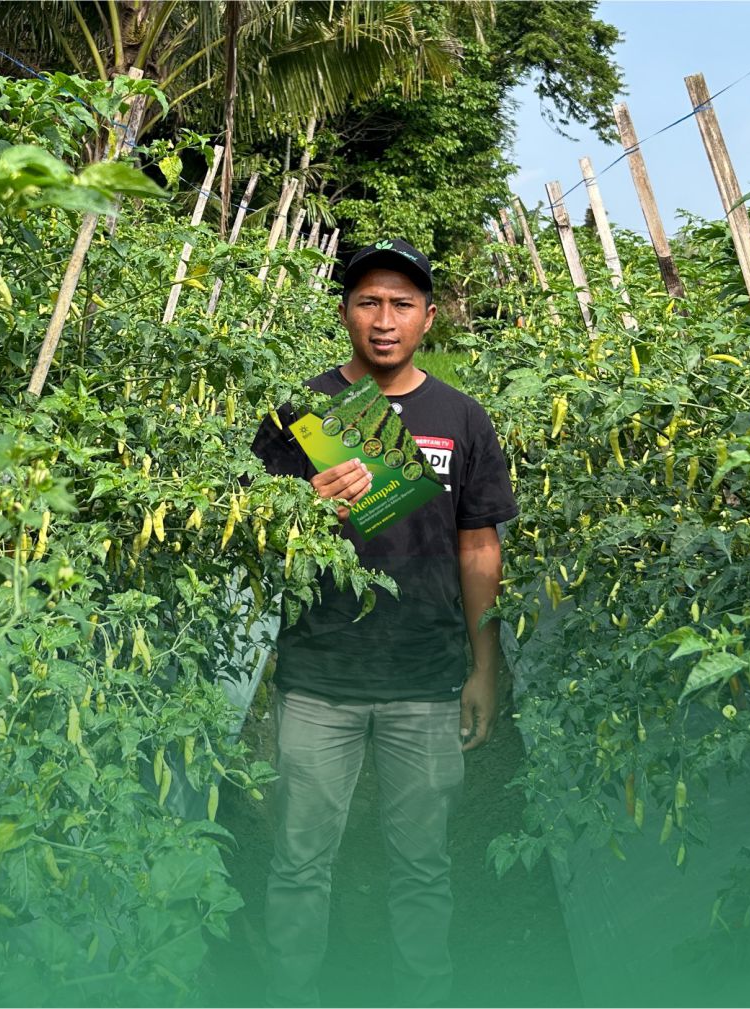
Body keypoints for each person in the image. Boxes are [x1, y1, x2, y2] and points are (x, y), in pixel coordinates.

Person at [248, 238, 519, 1007]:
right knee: (299, 861)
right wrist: (303, 505)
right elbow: (249, 526)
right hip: (317, 674)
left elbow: (477, 544)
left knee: (423, 865)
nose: (383, 318)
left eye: (402, 303)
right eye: (367, 301)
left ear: (428, 318)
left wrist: (482, 664)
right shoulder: (297, 409)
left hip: (427, 679)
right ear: (342, 313)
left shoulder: (461, 418)